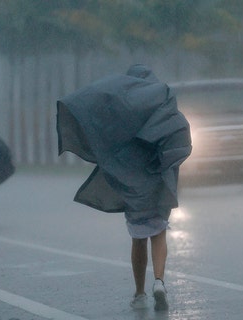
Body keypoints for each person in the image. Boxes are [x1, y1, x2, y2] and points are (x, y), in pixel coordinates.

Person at [56, 64, 192, 311]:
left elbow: (105, 133)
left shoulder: (122, 109)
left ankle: (140, 292)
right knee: (159, 232)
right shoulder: (162, 100)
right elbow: (177, 133)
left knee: (139, 237)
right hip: (160, 181)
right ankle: (159, 281)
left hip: (133, 184)